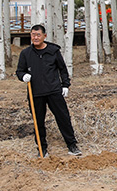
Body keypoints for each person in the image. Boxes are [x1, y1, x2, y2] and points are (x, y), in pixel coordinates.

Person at [16, 24, 81, 157]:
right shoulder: (26, 54)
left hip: (54, 91)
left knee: (63, 118)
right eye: (33, 35)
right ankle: (42, 148)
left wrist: (65, 85)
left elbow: (63, 70)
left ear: (44, 36)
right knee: (38, 121)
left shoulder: (53, 51)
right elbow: (19, 71)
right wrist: (23, 76)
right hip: (36, 93)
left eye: (38, 35)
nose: (35, 37)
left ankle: (72, 145)